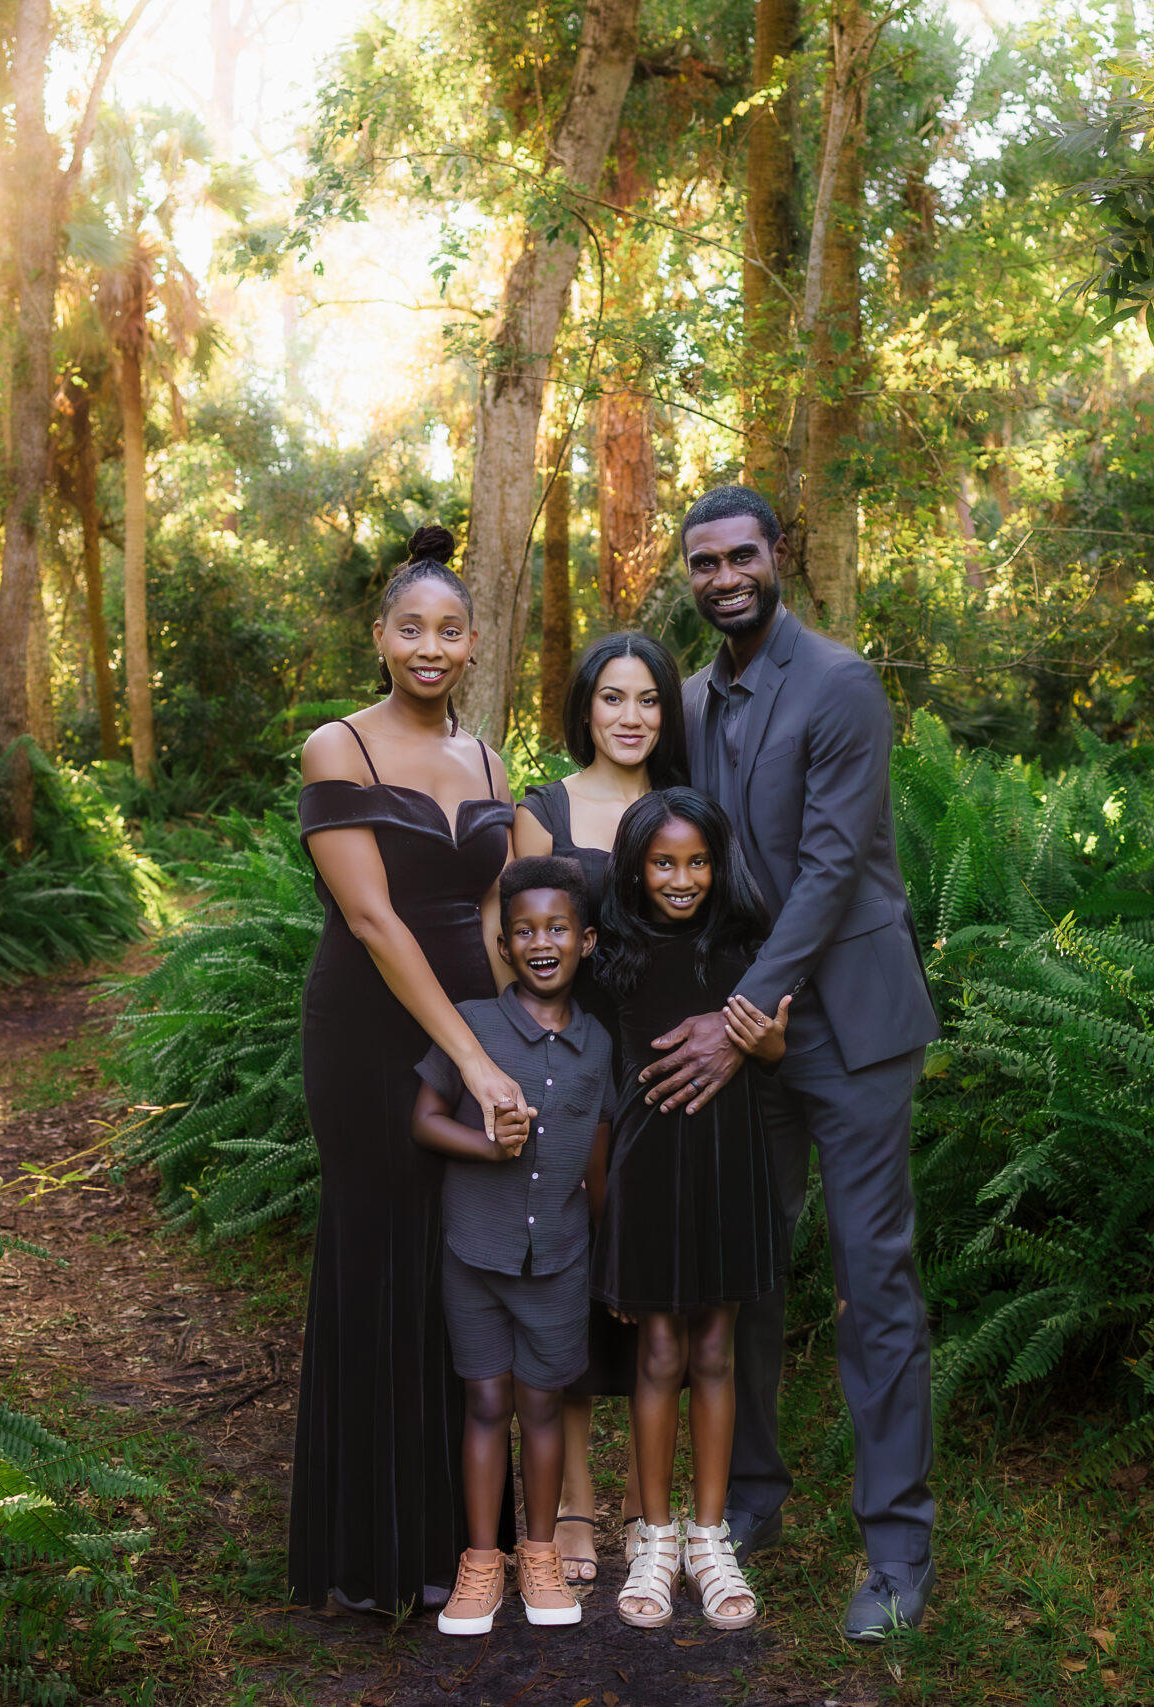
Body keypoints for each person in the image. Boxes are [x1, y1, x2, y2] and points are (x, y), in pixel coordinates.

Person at [637, 485, 942, 1640]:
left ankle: (897, 1551)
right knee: (742, 1270)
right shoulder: (695, 702)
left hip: (844, 1023)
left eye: (740, 556)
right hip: (742, 1025)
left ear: (778, 558)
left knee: (873, 1284)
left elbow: (828, 869)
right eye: (701, 561)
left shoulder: (840, 686)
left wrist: (742, 1013)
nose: (722, 577)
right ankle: (748, 1498)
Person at [289, 524, 525, 1615]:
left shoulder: (488, 762)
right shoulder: (337, 747)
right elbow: (377, 922)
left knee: (455, 1268)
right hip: (370, 1035)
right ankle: (364, 1553)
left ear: (472, 644)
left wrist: (510, 1041)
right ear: (379, 638)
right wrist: (472, 1057)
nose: (429, 647)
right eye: (409, 629)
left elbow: (492, 912)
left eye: (449, 630)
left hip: (469, 1023)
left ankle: (458, 1540)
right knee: (379, 1253)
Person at [512, 630, 690, 1586]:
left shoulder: (680, 809)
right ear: (585, 707)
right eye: (614, 698)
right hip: (572, 1066)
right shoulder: (544, 809)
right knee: (570, 1280)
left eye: (650, 700)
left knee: (650, 1280)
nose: (632, 717)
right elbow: (516, 946)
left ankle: (642, 1494)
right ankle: (576, 1494)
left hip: (662, 1071)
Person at [591, 789, 791, 1631]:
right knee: (661, 1348)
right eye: (665, 863)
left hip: (727, 1169)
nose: (683, 878)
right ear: (636, 867)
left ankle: (712, 1539)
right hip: (648, 1175)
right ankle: (655, 1537)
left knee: (716, 1345)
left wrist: (765, 1042)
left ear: (720, 863)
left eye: (698, 861)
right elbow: (597, 1094)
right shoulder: (613, 959)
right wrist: (604, 1215)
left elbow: (778, 1048)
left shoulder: (743, 945)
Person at [410, 856, 615, 1635]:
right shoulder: (471, 1028)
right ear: (503, 944)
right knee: (488, 1402)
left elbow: (597, 1158)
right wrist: (484, 1146)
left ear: (586, 940)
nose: (541, 941)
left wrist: (608, 1253)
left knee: (542, 1404)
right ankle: (482, 1562)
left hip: (560, 1261)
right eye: (524, 929)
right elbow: (423, 1119)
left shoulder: (599, 1046)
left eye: (557, 928)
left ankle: (539, 1553)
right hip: (476, 1255)